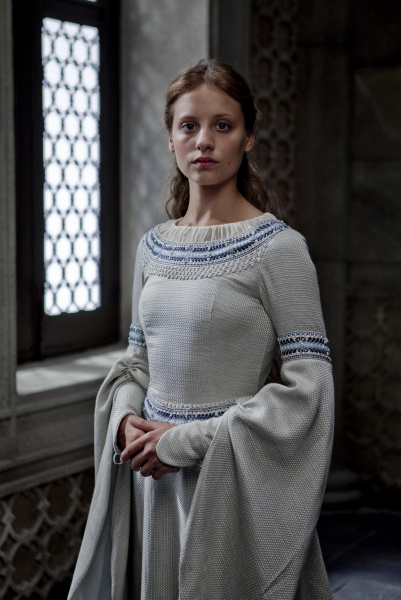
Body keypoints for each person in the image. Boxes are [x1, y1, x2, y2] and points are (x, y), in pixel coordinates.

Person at [68, 59, 334, 600]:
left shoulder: (279, 249)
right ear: (170, 137)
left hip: (225, 487)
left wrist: (185, 442)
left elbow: (310, 391)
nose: (204, 141)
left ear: (249, 137)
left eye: (223, 125)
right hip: (150, 482)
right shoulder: (152, 247)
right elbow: (138, 363)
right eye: (189, 125)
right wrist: (125, 422)